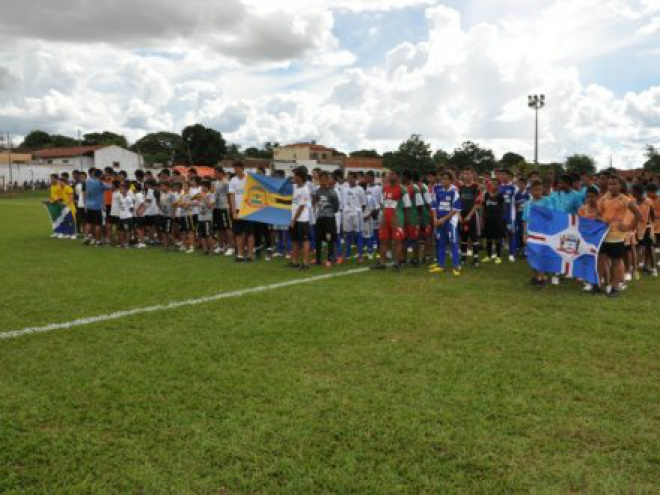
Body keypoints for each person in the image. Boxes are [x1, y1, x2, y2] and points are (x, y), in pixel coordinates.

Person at [597, 176, 642, 297]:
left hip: (617, 235)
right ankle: (598, 285)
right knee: (601, 259)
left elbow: (638, 214)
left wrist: (629, 227)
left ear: (621, 186)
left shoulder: (624, 199)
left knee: (616, 261)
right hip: (603, 235)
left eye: (615, 184)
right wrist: (601, 220)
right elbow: (598, 214)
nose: (612, 187)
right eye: (610, 184)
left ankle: (615, 287)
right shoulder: (603, 199)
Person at [371, 170, 409, 271]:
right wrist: (382, 215)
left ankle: (397, 263)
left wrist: (402, 221)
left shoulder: (402, 190)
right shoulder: (385, 188)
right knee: (383, 241)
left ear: (397, 176)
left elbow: (407, 207)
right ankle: (382, 263)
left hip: (396, 219)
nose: (389, 176)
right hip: (385, 218)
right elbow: (384, 203)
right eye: (389, 174)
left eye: (392, 174)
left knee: (397, 242)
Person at [429, 172, 461, 276]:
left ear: (450, 180)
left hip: (450, 222)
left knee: (453, 243)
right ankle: (441, 265)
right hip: (439, 221)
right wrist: (435, 219)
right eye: (442, 179)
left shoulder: (454, 192)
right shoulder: (438, 192)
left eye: (446, 179)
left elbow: (456, 209)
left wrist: (444, 219)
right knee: (440, 243)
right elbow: (433, 207)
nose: (444, 181)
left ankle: (456, 266)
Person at [523, 180, 553, 288]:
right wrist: (525, 234)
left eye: (539, 189)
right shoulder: (528, 204)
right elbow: (525, 220)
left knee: (540, 256)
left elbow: (550, 216)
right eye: (535, 189)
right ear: (531, 191)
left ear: (542, 190)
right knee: (532, 256)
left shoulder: (547, 202)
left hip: (542, 234)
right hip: (530, 234)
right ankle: (536, 277)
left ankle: (543, 278)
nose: (537, 192)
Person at [228, 161, 254, 262]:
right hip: (238, 209)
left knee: (250, 233)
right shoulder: (233, 180)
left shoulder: (249, 178)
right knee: (238, 233)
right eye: (234, 168)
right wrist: (234, 211)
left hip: (248, 209)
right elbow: (232, 196)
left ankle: (250, 254)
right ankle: (240, 254)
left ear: (242, 168)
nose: (236, 170)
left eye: (237, 168)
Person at [313, 171, 340, 267]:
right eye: (321, 180)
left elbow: (336, 207)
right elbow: (315, 202)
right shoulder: (317, 191)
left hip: (329, 218)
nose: (323, 182)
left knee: (330, 238)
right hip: (320, 218)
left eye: (325, 179)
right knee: (318, 238)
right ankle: (318, 259)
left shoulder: (332, 192)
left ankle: (330, 258)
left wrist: (329, 212)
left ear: (328, 180)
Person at [341, 172, 367, 263]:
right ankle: (347, 255)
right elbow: (342, 203)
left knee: (358, 234)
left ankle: (360, 255)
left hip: (356, 213)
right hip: (346, 213)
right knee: (347, 235)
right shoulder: (344, 189)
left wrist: (358, 210)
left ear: (356, 179)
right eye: (349, 178)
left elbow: (363, 204)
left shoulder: (360, 189)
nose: (350, 180)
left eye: (352, 178)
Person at [458, 169, 481, 267]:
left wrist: (470, 215)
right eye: (465, 174)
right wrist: (459, 215)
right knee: (463, 236)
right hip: (462, 214)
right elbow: (457, 202)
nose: (466, 175)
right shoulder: (460, 188)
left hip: (472, 214)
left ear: (472, 175)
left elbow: (478, 203)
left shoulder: (476, 187)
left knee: (473, 236)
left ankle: (476, 258)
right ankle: (463, 257)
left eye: (468, 174)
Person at [290, 168, 312, 269]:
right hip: (293, 218)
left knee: (304, 240)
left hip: (302, 219)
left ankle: (305, 263)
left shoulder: (305, 189)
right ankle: (294, 262)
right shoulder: (294, 187)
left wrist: (294, 220)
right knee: (294, 240)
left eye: (295, 175)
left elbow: (301, 206)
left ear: (300, 177)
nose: (294, 177)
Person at [633, 183, 657, 277]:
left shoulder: (648, 201)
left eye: (633, 191)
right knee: (637, 248)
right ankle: (643, 266)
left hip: (647, 228)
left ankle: (653, 268)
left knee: (649, 248)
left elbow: (652, 215)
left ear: (638, 192)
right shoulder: (633, 202)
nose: (632, 192)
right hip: (636, 228)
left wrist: (649, 225)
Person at [84, 169, 111, 246]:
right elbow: (110, 187)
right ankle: (97, 240)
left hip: (89, 205)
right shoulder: (100, 183)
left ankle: (86, 237)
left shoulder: (88, 181)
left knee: (89, 223)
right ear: (100, 175)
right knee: (97, 224)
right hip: (97, 206)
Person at [483, 179, 506, 264]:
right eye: (493, 184)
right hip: (488, 219)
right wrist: (484, 217)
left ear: (499, 186)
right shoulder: (486, 195)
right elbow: (484, 207)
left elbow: (503, 208)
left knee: (497, 238)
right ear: (490, 185)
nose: (494, 186)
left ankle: (498, 256)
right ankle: (489, 256)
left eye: (496, 184)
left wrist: (500, 218)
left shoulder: (500, 196)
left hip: (497, 220)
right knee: (488, 238)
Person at [212, 167, 234, 256]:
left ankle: (231, 247)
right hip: (216, 207)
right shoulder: (216, 182)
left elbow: (229, 195)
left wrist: (230, 207)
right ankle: (221, 246)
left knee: (228, 228)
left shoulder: (226, 183)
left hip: (224, 207)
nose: (215, 174)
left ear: (221, 173)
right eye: (214, 173)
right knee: (219, 228)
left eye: (217, 173)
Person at [498, 169, 518, 262]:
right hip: (501, 214)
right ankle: (499, 253)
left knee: (511, 234)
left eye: (504, 174)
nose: (502, 176)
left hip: (510, 215)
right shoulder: (499, 187)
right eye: (501, 175)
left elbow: (517, 202)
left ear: (509, 176)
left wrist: (515, 213)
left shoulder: (514, 187)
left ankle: (511, 254)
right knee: (500, 234)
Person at [196, 180, 216, 255]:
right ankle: (205, 250)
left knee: (209, 235)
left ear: (207, 187)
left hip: (207, 218)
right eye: (201, 187)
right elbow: (197, 204)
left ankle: (212, 250)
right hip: (200, 217)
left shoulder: (211, 195)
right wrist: (197, 200)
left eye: (203, 187)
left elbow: (210, 206)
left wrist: (204, 197)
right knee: (202, 235)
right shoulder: (200, 195)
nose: (202, 188)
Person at [158, 181, 175, 250]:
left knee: (169, 231)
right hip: (162, 214)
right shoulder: (161, 194)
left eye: (163, 186)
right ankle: (165, 245)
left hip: (169, 215)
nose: (162, 187)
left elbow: (174, 205)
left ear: (167, 186)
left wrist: (173, 214)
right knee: (163, 231)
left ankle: (174, 245)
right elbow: (161, 204)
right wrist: (160, 206)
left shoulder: (171, 194)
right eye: (161, 186)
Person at [117, 182, 134, 249]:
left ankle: (127, 243)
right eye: (121, 188)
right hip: (121, 216)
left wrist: (128, 214)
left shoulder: (128, 198)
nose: (121, 190)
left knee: (127, 230)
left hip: (127, 217)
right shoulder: (121, 197)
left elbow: (131, 208)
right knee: (120, 230)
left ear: (126, 190)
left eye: (122, 189)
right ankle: (122, 243)